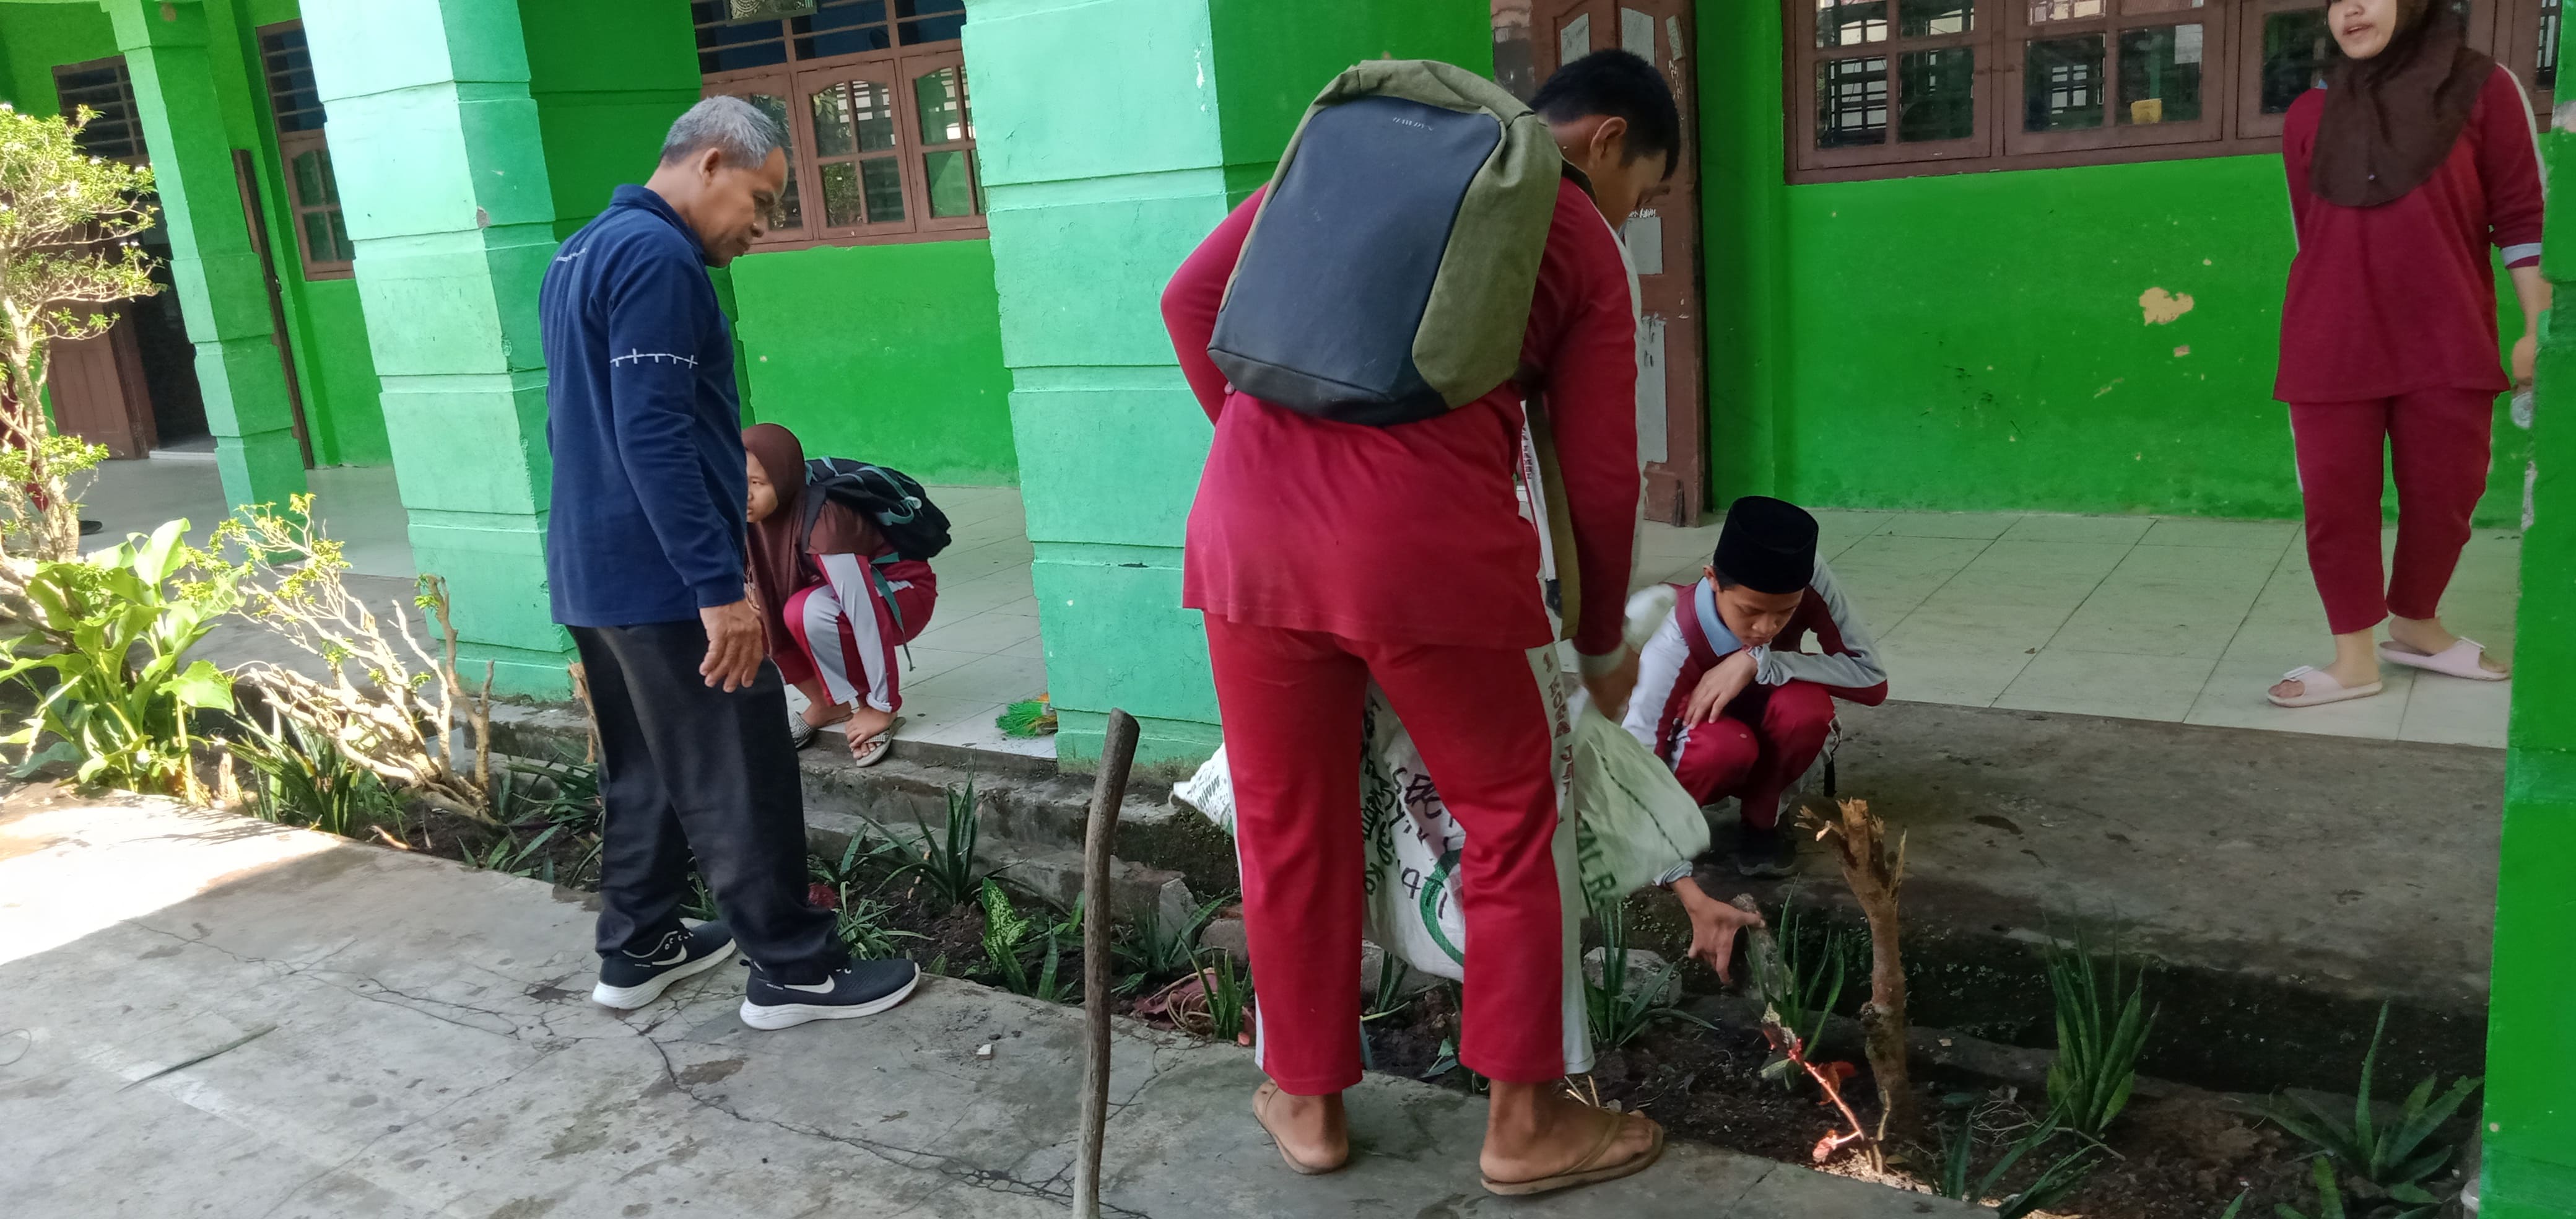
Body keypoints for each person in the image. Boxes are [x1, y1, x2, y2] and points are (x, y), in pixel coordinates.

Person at [1160, 50, 1676, 1195]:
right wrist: (1599, 641)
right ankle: (1525, 1123)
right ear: (1603, 141)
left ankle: (1307, 1102)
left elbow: (1189, 301)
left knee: (1288, 824)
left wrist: (1269, 470)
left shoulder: (1357, 158)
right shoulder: (1576, 229)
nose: (1634, 214)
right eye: (1645, 189)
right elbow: (1600, 474)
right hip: (1428, 557)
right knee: (1510, 821)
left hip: (1246, 541)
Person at [540, 97, 918, 1029]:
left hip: (595, 568)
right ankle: (793, 969)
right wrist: (717, 586)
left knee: (647, 765)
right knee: (738, 766)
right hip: (666, 579)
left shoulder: (582, 249)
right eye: (762, 199)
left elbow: (576, 424)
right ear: (710, 162)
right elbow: (655, 434)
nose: (762, 226)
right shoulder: (658, 257)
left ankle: (639, 945)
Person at [2265, 0, 2544, 707]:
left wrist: (2535, 324)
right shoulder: (2307, 115)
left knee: (2448, 494)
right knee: (2336, 501)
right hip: (2330, 342)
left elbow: (2521, 213)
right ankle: (2353, 659)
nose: (2351, 9)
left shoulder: (2482, 87)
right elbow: (2311, 233)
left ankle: (2416, 622)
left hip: (2447, 334)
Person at [1623, 497, 1889, 878]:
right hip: (1703, 735)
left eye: (1785, 613)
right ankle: (1675, 828)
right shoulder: (1674, 635)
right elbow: (1640, 746)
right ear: (1712, 579)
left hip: (1771, 708)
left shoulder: (1807, 574)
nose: (1766, 629)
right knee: (1723, 749)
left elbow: (1872, 681)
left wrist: (1762, 662)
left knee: (1808, 712)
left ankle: (1763, 823)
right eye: (1750, 611)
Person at [742, 422, 938, 767]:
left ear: (783, 479)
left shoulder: (825, 517)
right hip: (832, 593)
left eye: (757, 483)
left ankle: (871, 706)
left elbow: (864, 614)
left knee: (807, 611)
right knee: (748, 613)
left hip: (903, 593)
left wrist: (883, 703)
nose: (743, 494)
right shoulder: (750, 513)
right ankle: (826, 704)